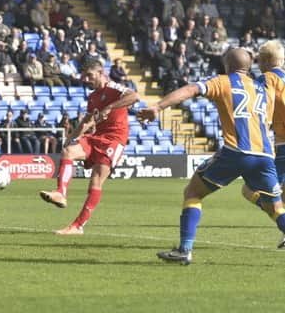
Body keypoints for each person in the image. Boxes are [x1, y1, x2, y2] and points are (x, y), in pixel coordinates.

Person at [137, 48, 285, 264]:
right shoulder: (263, 88)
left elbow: (190, 90)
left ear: (227, 65)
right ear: (249, 66)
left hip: (235, 152)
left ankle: (184, 250)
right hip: (264, 155)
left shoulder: (223, 81)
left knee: (193, 192)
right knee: (276, 208)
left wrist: (158, 106)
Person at [39, 60, 140, 235]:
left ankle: (77, 226)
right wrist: (71, 137)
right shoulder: (93, 96)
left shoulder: (115, 88)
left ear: (101, 73)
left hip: (114, 140)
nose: (86, 79)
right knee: (68, 151)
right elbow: (87, 121)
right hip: (96, 137)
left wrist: (110, 106)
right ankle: (60, 193)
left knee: (95, 181)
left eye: (90, 75)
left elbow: (134, 96)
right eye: (84, 75)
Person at [241, 41, 285, 247]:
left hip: (283, 144)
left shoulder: (267, 79)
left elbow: (257, 108)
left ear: (266, 61)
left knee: (249, 190)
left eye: (259, 60)